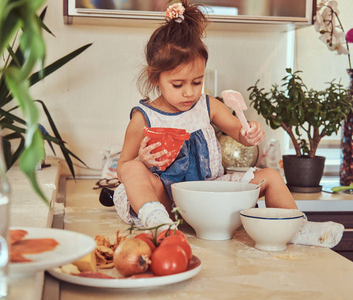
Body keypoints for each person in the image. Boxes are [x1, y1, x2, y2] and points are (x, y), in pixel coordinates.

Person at [114, 0, 297, 231]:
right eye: (178, 84)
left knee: (270, 175)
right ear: (155, 78)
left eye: (197, 82)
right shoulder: (143, 118)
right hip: (167, 202)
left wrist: (249, 132)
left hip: (209, 194)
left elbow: (239, 133)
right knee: (132, 169)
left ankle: (294, 230)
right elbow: (122, 169)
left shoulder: (208, 106)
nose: (189, 92)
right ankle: (159, 226)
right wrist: (142, 160)